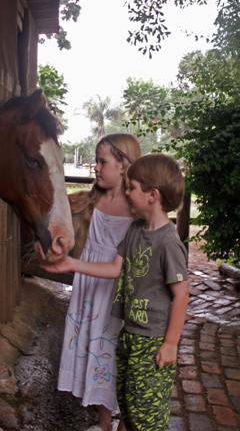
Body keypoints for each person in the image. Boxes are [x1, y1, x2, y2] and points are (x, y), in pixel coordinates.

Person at [42, 153, 189, 431]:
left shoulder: (169, 243)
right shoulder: (135, 230)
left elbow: (181, 295)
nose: (127, 193)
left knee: (146, 413)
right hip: (130, 333)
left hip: (153, 340)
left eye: (132, 188)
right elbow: (114, 268)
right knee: (127, 398)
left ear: (152, 195)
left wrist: (170, 343)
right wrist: (72, 263)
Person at [58, 133, 141, 431]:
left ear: (123, 165)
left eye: (102, 161)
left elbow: (130, 262)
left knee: (110, 353)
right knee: (92, 349)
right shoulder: (93, 199)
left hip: (113, 293)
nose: (95, 167)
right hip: (89, 289)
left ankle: (119, 421)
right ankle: (103, 422)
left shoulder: (136, 209)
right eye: (96, 161)